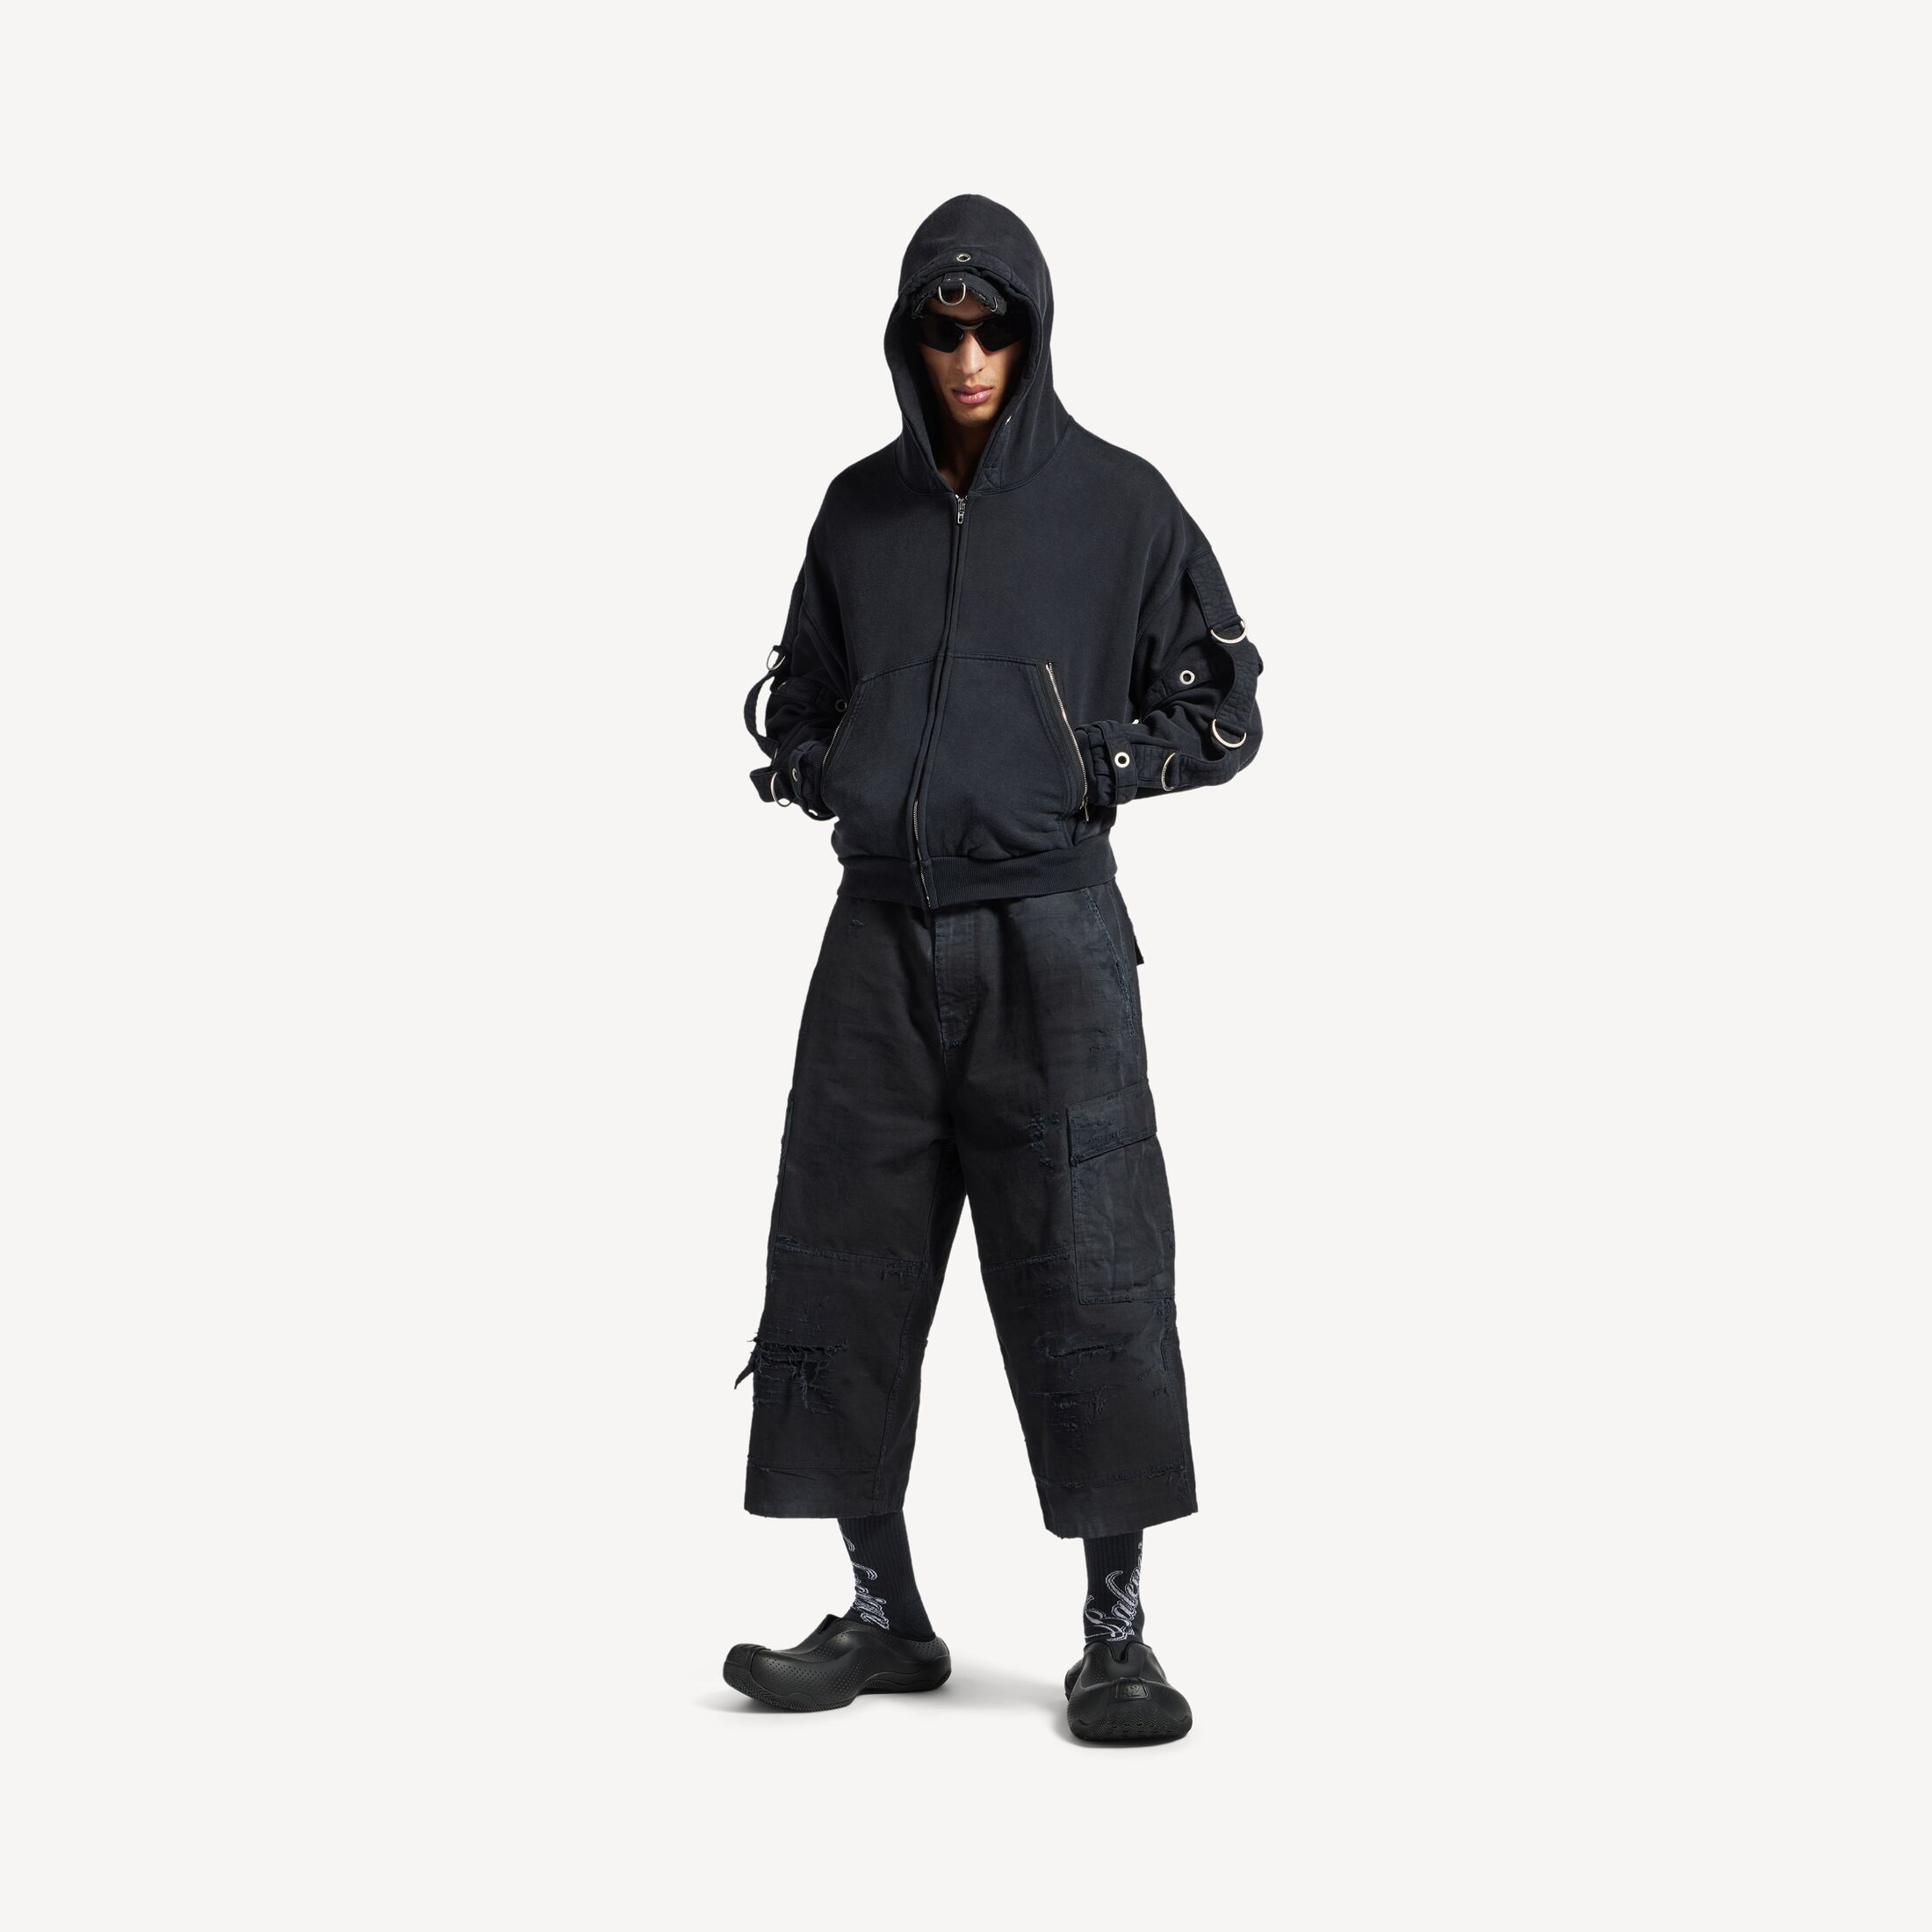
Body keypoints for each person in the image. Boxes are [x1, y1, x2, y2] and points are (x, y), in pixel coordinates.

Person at [730, 194, 1264, 1742]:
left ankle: (1116, 1633)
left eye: (993, 330)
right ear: (907, 341)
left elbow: (1225, 710)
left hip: (1055, 938)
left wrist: (1092, 762)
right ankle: (883, 1612)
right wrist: (826, 767)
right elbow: (802, 691)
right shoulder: (857, 512)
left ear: (1033, 334)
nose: (967, 359)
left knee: (1092, 1267)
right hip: (876, 939)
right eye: (941, 332)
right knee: (842, 1262)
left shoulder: (1120, 502)